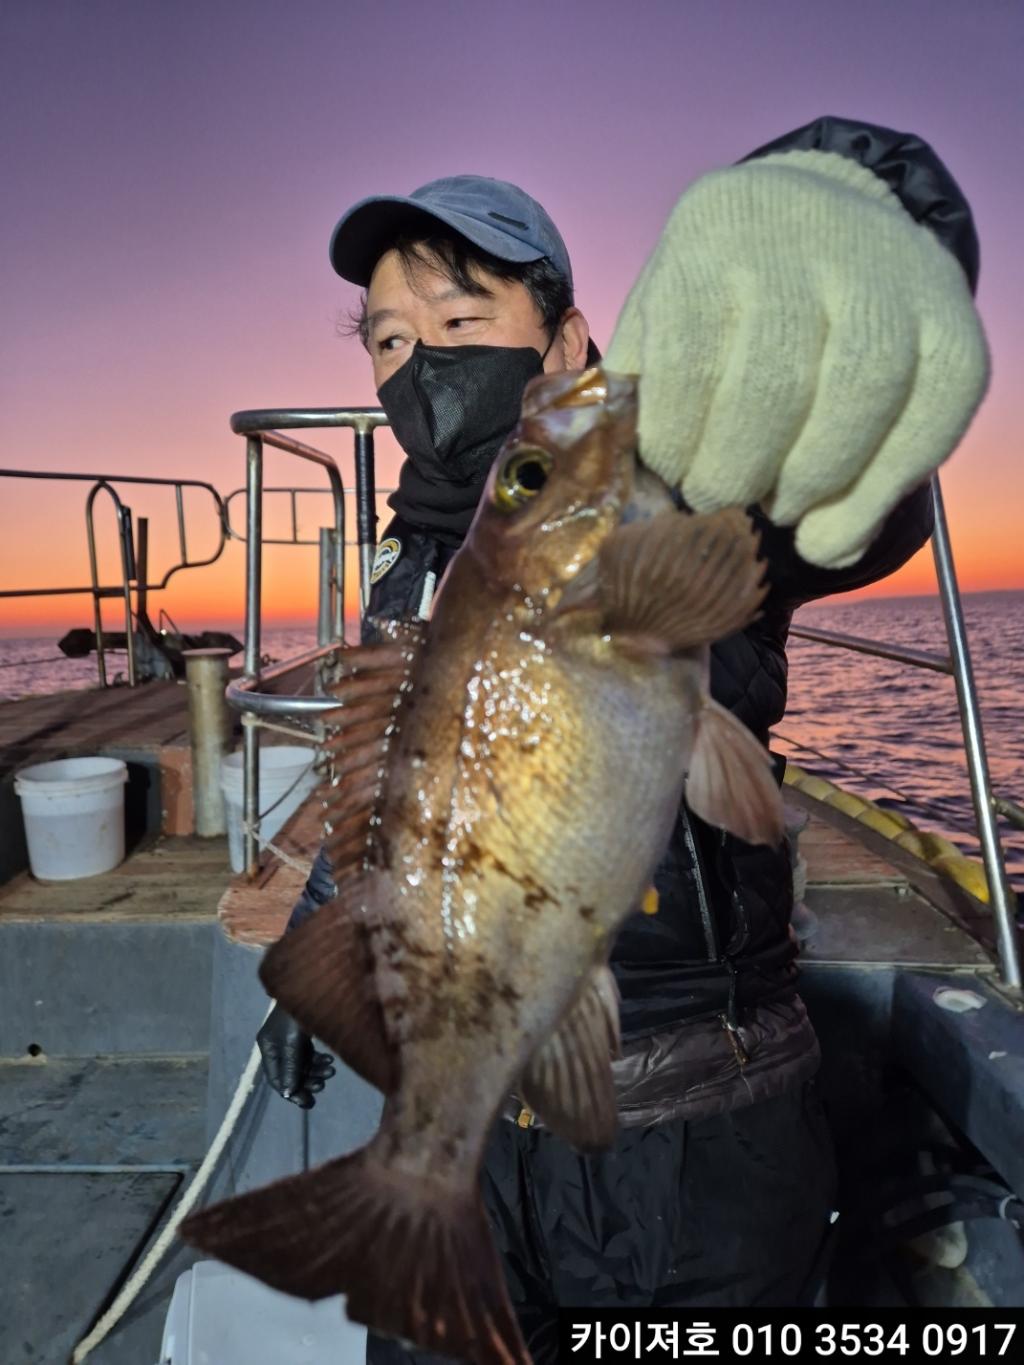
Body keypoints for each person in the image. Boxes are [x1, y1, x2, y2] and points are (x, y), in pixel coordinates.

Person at [254, 116, 986, 1358]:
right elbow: (393, 795)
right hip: (480, 1158)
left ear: (569, 341)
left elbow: (828, 498)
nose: (419, 359)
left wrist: (843, 207)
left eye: (460, 318)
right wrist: (320, 929)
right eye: (389, 338)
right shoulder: (405, 567)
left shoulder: (669, 488)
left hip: (690, 1143)